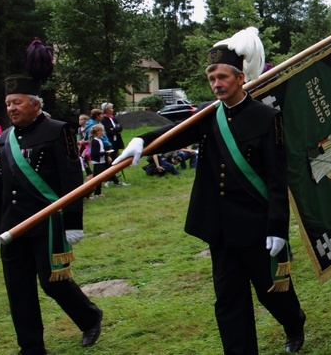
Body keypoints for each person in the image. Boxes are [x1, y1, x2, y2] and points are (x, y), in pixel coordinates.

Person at [114, 27, 306, 354]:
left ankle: (294, 322)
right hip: (220, 227)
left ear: (240, 78)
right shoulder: (208, 115)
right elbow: (175, 132)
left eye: (222, 77)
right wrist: (141, 142)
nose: (216, 84)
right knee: (229, 299)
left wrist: (277, 227)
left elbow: (276, 178)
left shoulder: (267, 117)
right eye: (211, 78)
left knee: (271, 291)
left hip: (256, 225)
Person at [0, 40, 103, 354]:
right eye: (8, 103)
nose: (10, 108)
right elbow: (0, 184)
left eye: (17, 102)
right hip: (13, 226)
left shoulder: (58, 130)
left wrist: (72, 223)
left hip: (46, 224)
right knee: (18, 290)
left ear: (36, 104)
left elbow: (71, 180)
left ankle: (90, 316)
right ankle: (31, 347)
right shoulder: (6, 138)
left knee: (52, 282)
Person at [89, 123, 113, 199]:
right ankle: (95, 193)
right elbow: (95, 153)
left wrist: (106, 155)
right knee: (97, 179)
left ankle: (98, 192)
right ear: (98, 131)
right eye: (102, 131)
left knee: (100, 178)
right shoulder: (95, 141)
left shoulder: (99, 140)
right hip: (98, 162)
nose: (103, 133)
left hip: (101, 161)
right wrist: (106, 153)